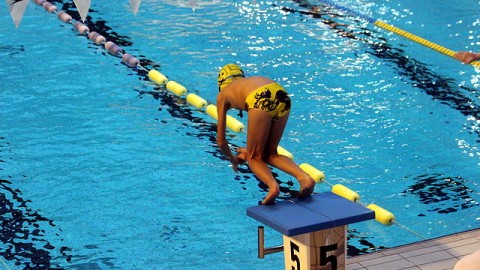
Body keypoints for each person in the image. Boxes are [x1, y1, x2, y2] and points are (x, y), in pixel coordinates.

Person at [215, 63, 316, 205]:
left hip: (260, 98)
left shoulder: (223, 95)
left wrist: (232, 159)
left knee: (254, 158)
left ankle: (273, 187)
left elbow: (221, 141)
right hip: (282, 95)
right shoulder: (246, 83)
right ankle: (304, 178)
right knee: (270, 154)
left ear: (221, 84)